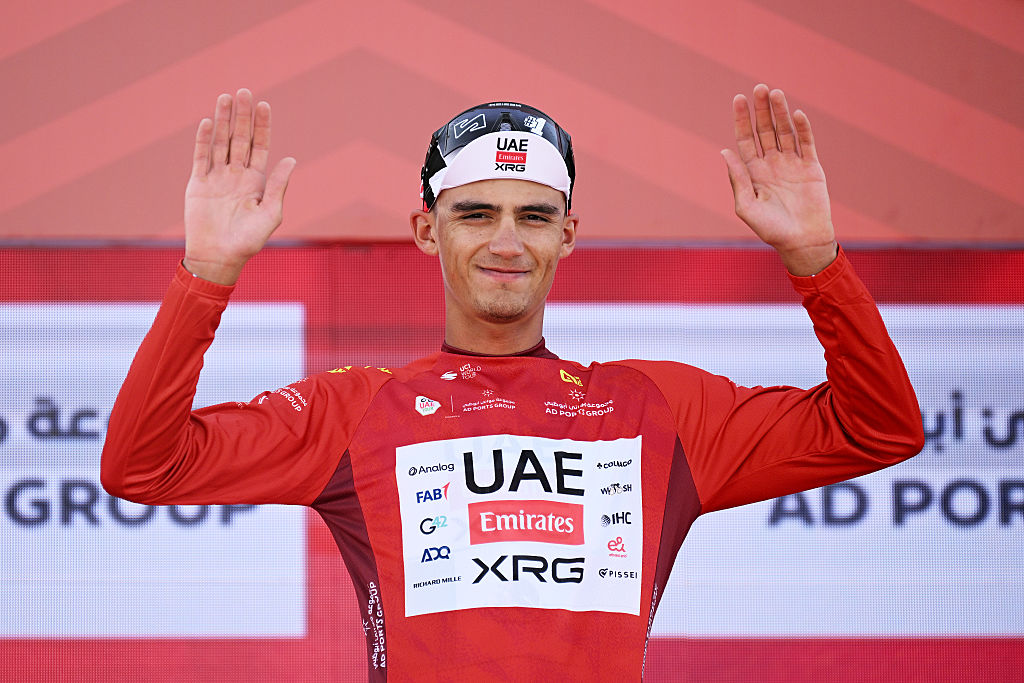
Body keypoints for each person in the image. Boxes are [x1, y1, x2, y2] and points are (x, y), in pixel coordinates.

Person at [101, 85, 924, 681]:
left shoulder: (656, 409)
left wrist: (815, 260)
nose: (506, 241)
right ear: (427, 229)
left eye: (533, 216)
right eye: (475, 213)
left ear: (568, 236)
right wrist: (205, 274)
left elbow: (879, 426)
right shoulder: (354, 410)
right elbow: (142, 464)